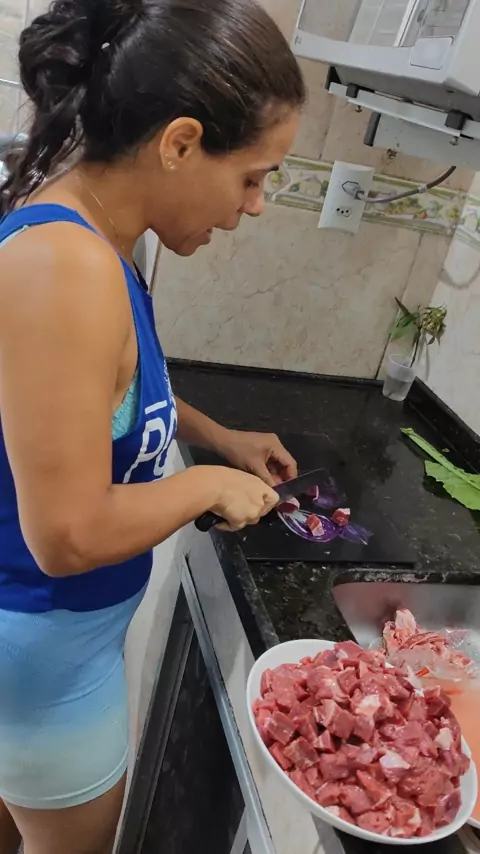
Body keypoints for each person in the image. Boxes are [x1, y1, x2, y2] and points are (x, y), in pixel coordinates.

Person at [0, 0, 305, 851]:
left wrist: (217, 437)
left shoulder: (96, 240)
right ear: (179, 143)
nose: (254, 206)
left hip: (48, 649)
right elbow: (66, 534)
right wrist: (203, 484)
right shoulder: (64, 266)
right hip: (39, 658)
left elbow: (109, 396)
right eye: (252, 177)